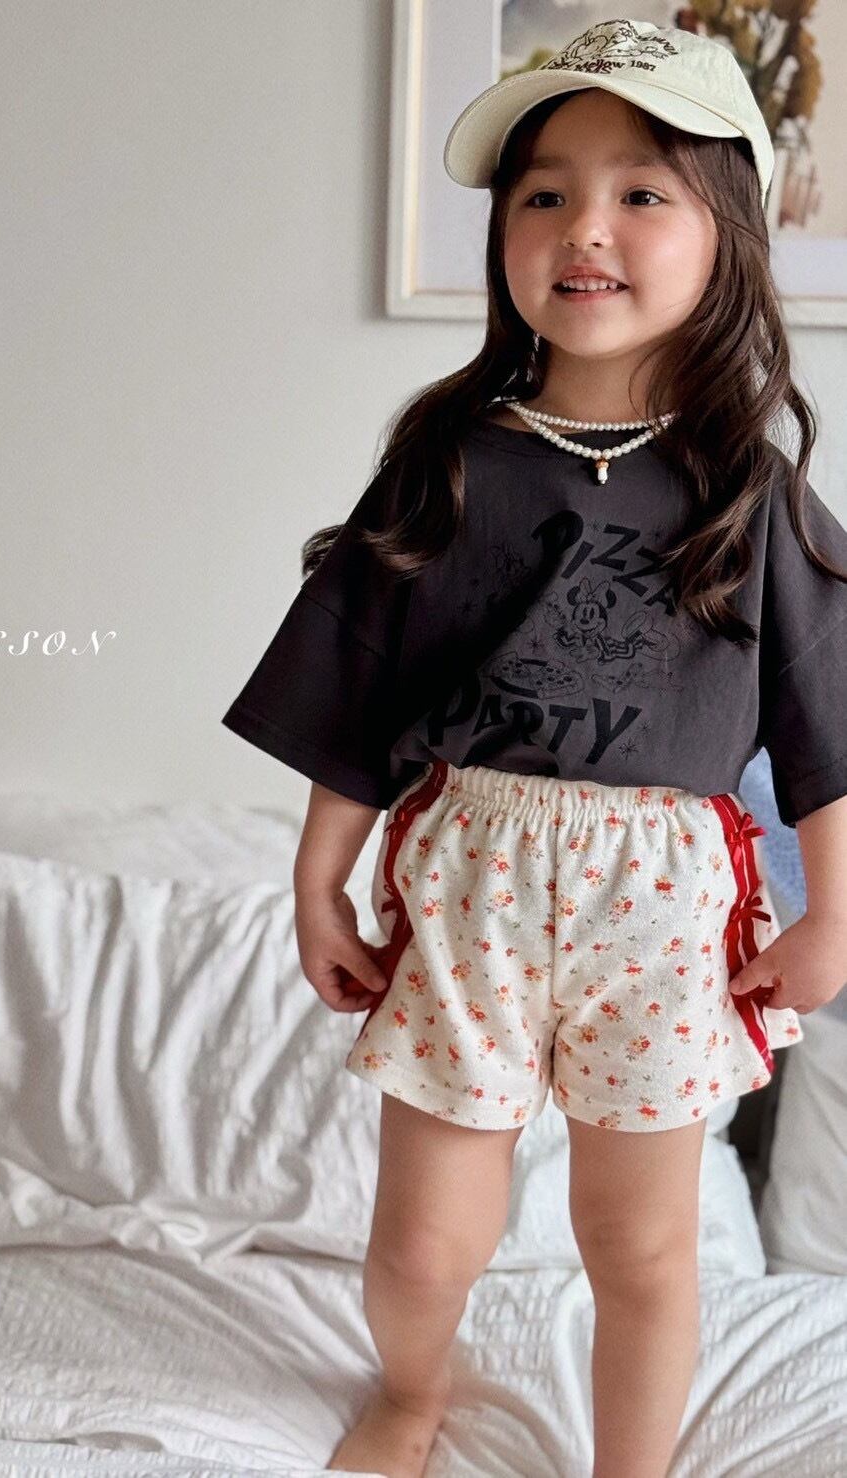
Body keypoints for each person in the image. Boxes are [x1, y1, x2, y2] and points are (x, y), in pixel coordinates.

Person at [221, 18, 847, 1478]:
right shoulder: (450, 461)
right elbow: (355, 681)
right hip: (470, 892)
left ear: (728, 236)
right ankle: (411, 1392)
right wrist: (319, 881)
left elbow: (826, 717)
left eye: (642, 192)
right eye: (544, 192)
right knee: (424, 1241)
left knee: (643, 1245)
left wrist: (833, 912)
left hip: (663, 908)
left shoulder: (750, 492)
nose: (586, 227)